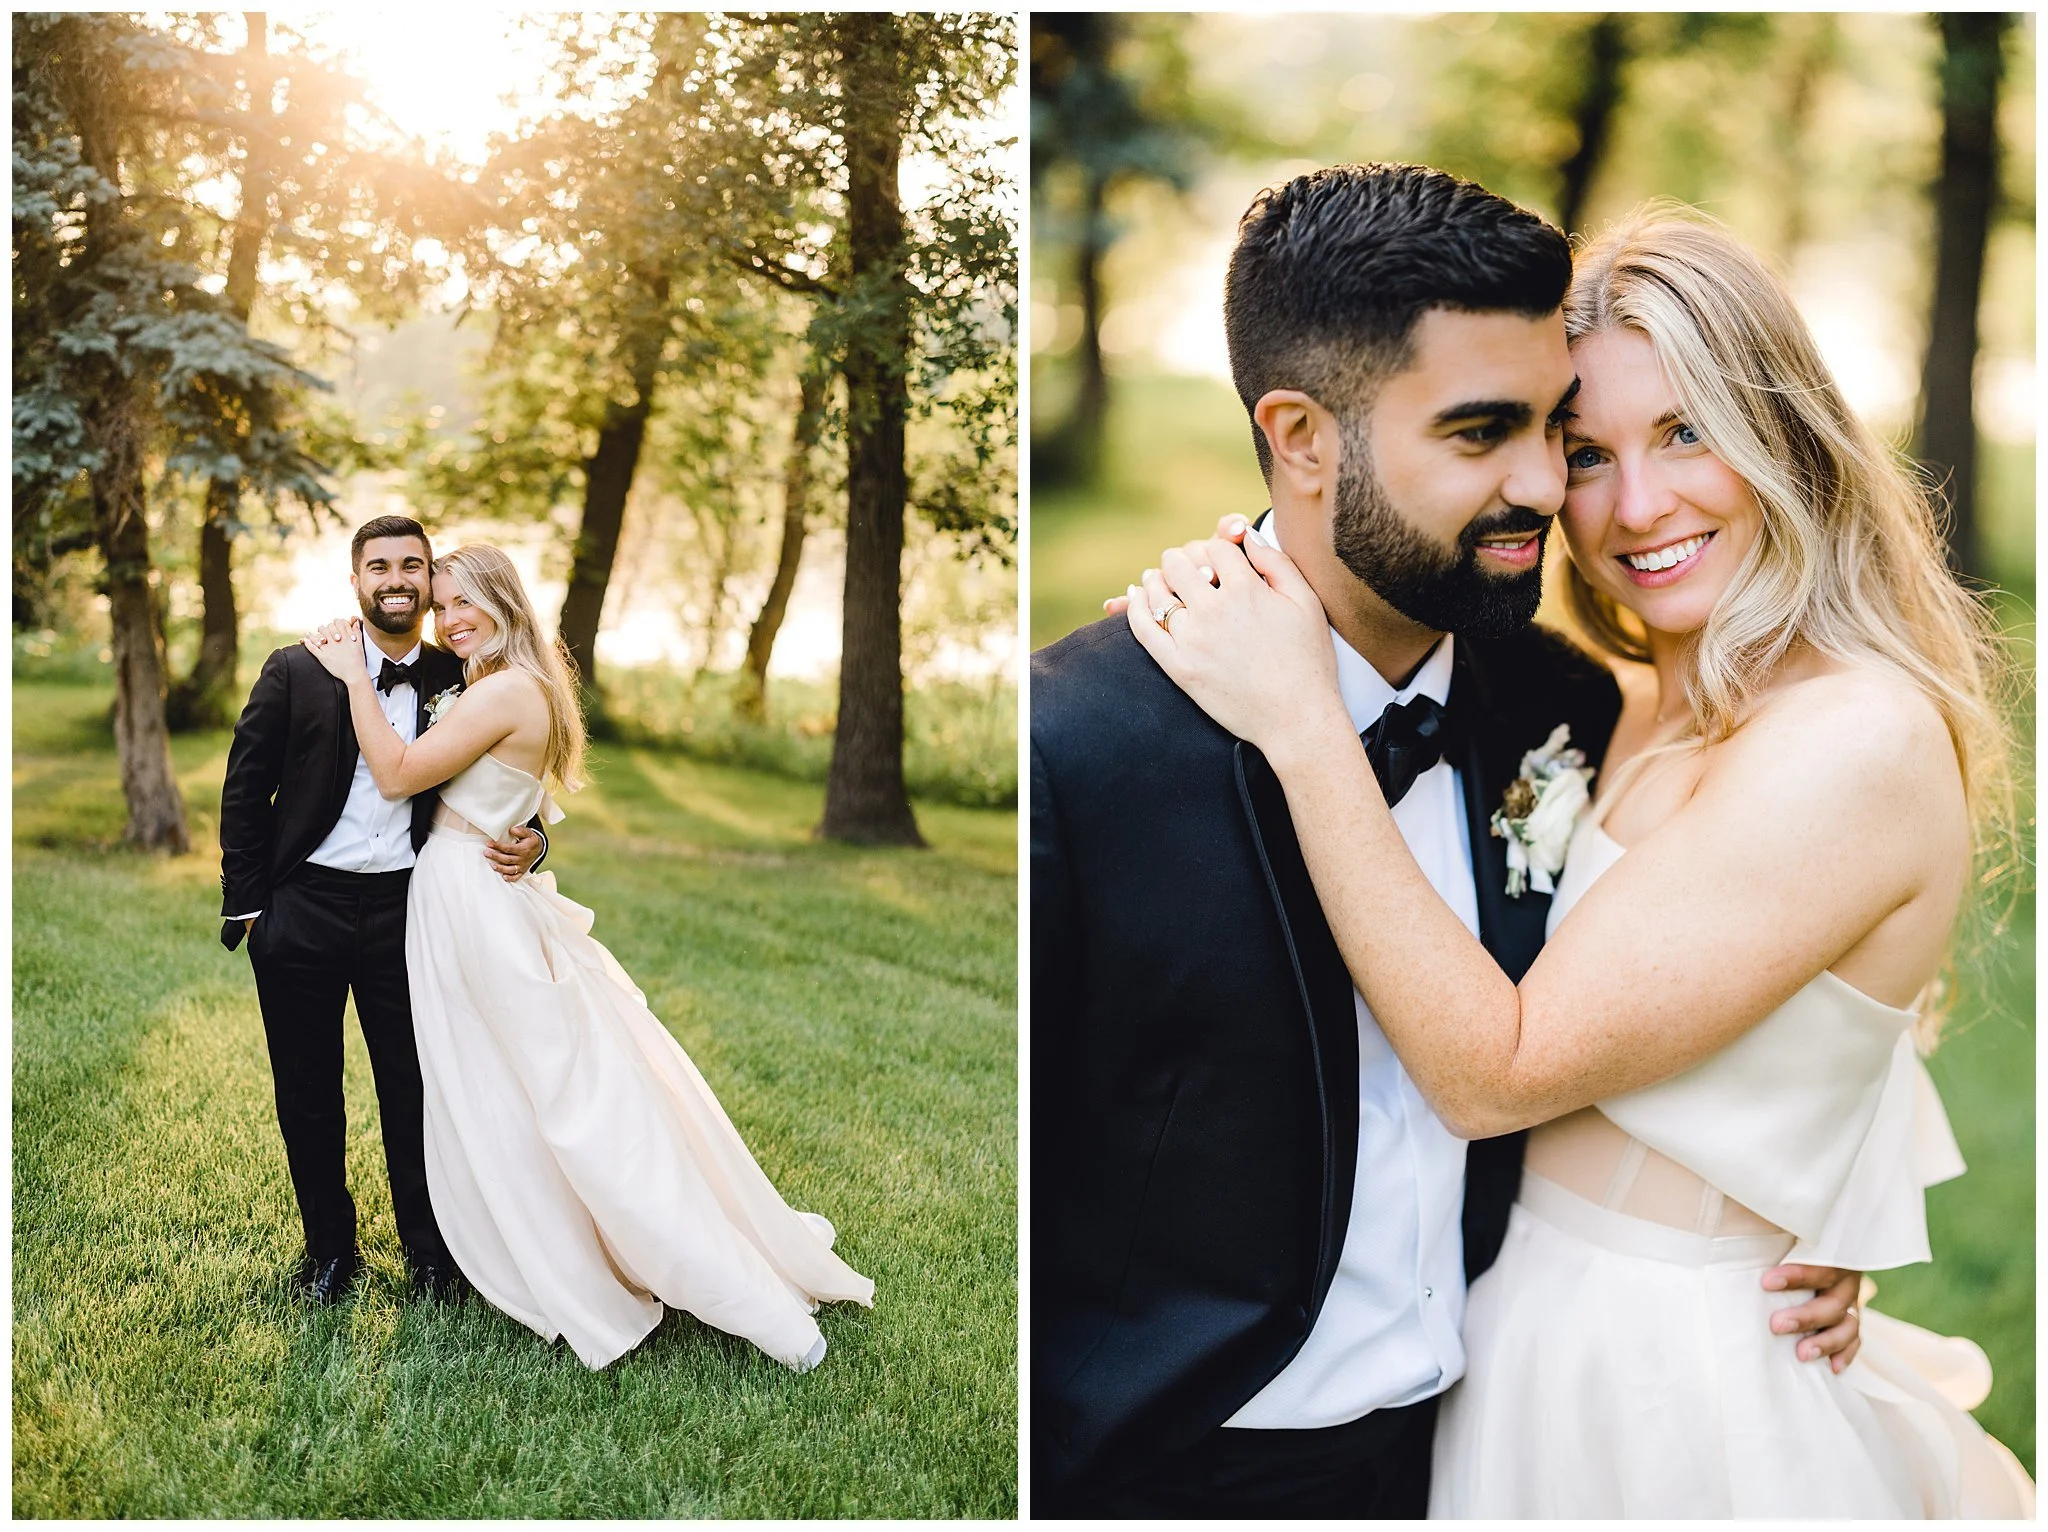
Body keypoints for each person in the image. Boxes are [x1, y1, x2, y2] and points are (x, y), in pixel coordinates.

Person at [1126, 205, 2031, 1515]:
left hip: (1667, 1382)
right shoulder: (1626, 703)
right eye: (1587, 451)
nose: (1635, 505)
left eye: (1687, 432)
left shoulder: (1853, 739)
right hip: (1515, 1329)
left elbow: (1496, 1073)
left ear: (1782, 432)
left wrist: (1299, 720)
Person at [299, 543, 873, 1371]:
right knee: (512, 1087)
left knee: (555, 1096)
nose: (450, 620)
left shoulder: (505, 690)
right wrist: (531, 840)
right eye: (443, 605)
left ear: (504, 602)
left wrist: (354, 675)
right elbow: (511, 798)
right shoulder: (516, 683)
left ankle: (682, 1269)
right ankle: (551, 1238)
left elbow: (396, 776)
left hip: (473, 901)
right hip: (470, 892)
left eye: (466, 603)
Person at [220, 514, 546, 1305]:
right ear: (356, 580)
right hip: (302, 906)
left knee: (417, 1087)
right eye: (380, 566)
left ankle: (431, 1255)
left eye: (411, 566)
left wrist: (536, 839)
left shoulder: (460, 673)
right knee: (308, 1091)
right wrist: (251, 909)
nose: (396, 579)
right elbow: (245, 790)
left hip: (411, 909)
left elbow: (506, 776)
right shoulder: (297, 669)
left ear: (429, 582)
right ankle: (331, 1253)